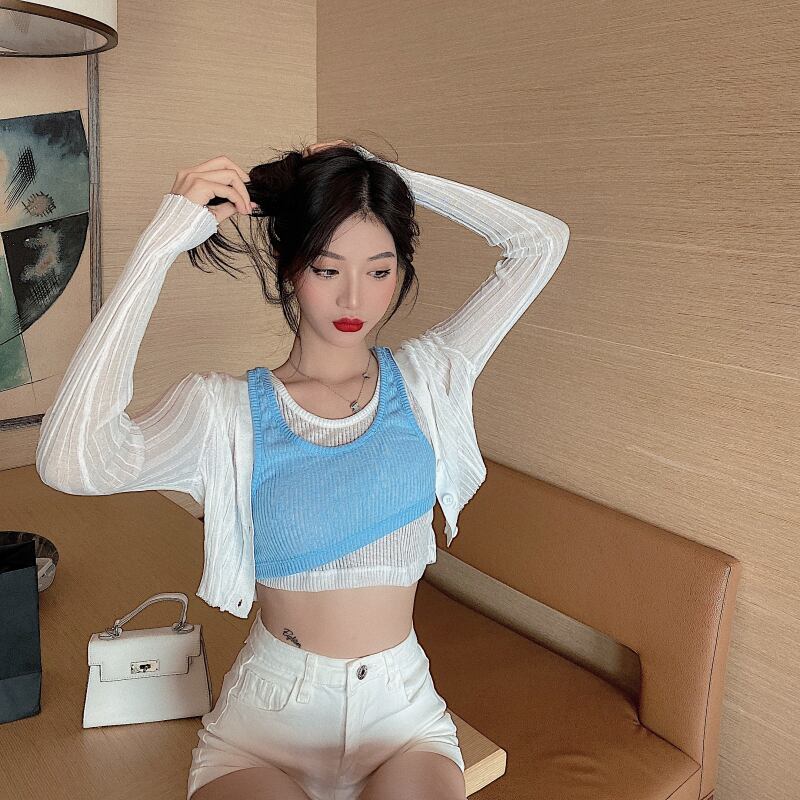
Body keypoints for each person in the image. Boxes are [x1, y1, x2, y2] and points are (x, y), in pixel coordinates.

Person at [35, 138, 570, 800]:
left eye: (380, 270)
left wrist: (381, 176)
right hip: (268, 728)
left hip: (402, 718)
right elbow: (71, 461)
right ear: (290, 268)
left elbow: (540, 243)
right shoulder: (225, 413)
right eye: (326, 268)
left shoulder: (430, 379)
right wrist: (161, 242)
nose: (355, 297)